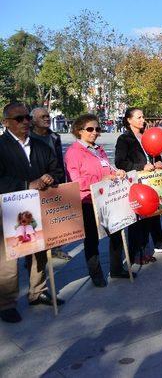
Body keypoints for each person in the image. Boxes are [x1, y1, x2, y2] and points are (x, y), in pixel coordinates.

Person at [0, 103, 65, 323]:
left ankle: (37, 291)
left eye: (27, 117)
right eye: (19, 119)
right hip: (9, 209)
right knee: (9, 258)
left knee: (39, 251)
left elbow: (56, 169)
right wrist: (28, 184)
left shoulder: (40, 145)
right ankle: (7, 302)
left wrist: (49, 178)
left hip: (38, 206)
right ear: (6, 122)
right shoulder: (1, 146)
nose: (26, 122)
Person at [64, 114, 133, 287]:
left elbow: (107, 168)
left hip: (106, 199)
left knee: (116, 232)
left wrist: (117, 172)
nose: (94, 132)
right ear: (79, 131)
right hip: (87, 201)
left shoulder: (98, 149)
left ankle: (117, 269)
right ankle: (96, 274)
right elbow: (76, 182)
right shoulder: (73, 152)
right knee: (92, 239)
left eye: (97, 129)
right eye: (89, 129)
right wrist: (101, 180)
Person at [115, 108, 162, 264]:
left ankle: (145, 250)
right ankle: (135, 255)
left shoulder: (147, 136)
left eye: (143, 117)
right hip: (136, 184)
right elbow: (120, 162)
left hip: (151, 182)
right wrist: (141, 166)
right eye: (138, 117)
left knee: (150, 217)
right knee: (137, 221)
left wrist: (158, 162)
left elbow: (154, 152)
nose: (142, 120)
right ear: (128, 120)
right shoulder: (124, 139)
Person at [30, 107, 73, 261]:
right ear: (33, 120)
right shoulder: (28, 137)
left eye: (48, 116)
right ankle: (34, 255)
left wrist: (62, 181)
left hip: (54, 181)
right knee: (36, 220)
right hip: (35, 184)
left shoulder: (54, 136)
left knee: (55, 219)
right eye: (43, 117)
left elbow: (59, 161)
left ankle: (56, 248)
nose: (47, 119)